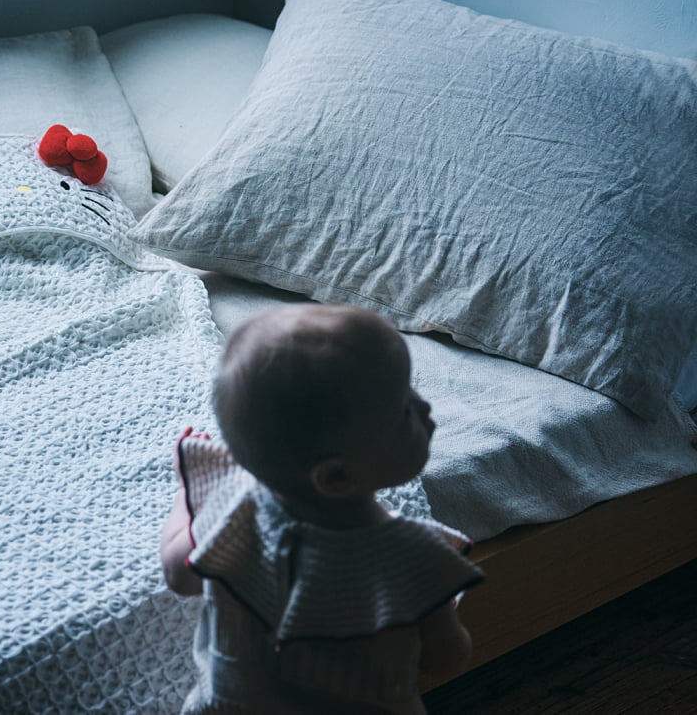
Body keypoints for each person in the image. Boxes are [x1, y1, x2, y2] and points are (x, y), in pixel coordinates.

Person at [160, 303, 484, 714]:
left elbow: (177, 573)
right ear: (336, 478)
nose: (425, 408)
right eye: (403, 409)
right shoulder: (413, 557)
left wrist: (189, 495)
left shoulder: (231, 505)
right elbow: (447, 660)